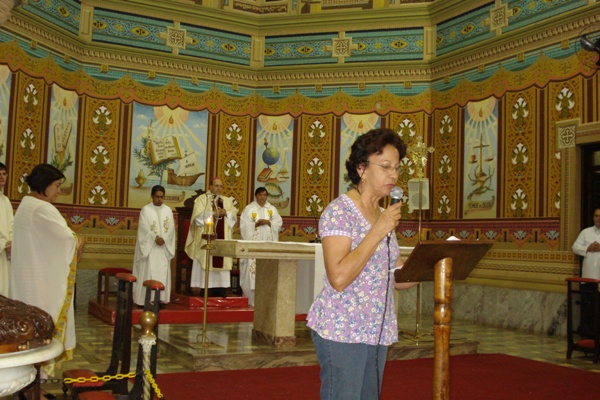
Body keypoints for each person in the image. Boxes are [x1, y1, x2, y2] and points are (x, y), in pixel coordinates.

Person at [306, 128, 418, 399]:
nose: (394, 174)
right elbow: (339, 277)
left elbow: (396, 275)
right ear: (361, 168)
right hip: (342, 328)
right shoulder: (339, 212)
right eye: (386, 166)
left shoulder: (382, 214)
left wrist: (431, 263)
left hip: (375, 328)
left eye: (397, 167)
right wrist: (378, 230)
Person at [10, 163, 85, 375]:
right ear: (45, 185)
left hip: (29, 279)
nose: (59, 191)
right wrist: (80, 240)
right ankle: (36, 385)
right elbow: (66, 239)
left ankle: (32, 383)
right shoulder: (42, 208)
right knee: (41, 329)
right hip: (40, 284)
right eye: (57, 185)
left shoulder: (26, 204)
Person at [185, 177, 237, 297]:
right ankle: (205, 289)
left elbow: (233, 217)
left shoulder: (227, 201)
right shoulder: (202, 200)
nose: (219, 188)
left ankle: (221, 290)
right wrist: (213, 213)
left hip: (221, 239)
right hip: (206, 239)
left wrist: (226, 213)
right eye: (216, 185)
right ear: (210, 186)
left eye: (221, 186)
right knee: (206, 258)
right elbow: (197, 219)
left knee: (221, 257)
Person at [132, 185, 175, 306]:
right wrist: (154, 237)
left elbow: (171, 228)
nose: (159, 199)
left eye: (162, 197)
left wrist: (164, 239)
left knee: (162, 271)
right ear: (152, 196)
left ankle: (161, 298)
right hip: (150, 248)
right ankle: (146, 299)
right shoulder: (146, 210)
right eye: (157, 197)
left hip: (163, 248)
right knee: (149, 271)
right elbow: (143, 228)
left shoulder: (168, 210)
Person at [239, 186, 283, 305]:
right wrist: (255, 225)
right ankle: (251, 299)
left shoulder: (272, 209)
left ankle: (266, 299)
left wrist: (269, 223)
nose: (262, 197)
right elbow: (243, 226)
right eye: (260, 195)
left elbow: (278, 223)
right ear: (256, 196)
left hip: (268, 245)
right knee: (251, 272)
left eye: (264, 195)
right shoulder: (249, 209)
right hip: (254, 246)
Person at [572, 208, 600, 280]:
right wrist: (587, 248)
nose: (598, 218)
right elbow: (575, 248)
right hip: (589, 274)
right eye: (596, 216)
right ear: (593, 218)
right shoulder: (585, 232)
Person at [0, 162, 13, 297]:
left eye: (4, 174)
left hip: (4, 252)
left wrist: (11, 242)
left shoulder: (5, 200)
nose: (2, 177)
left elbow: (11, 225)